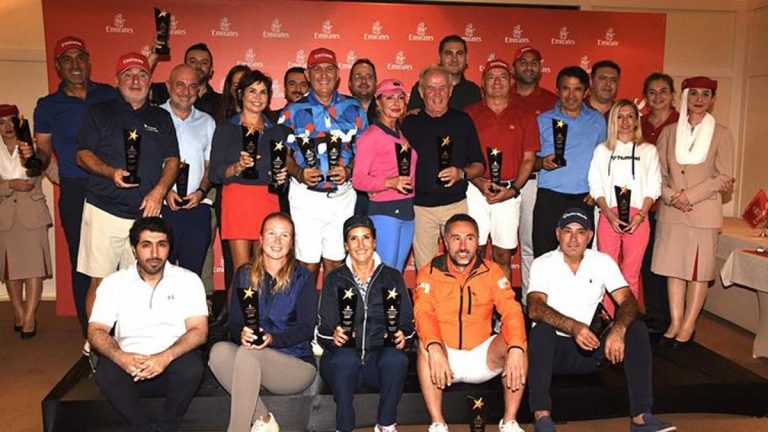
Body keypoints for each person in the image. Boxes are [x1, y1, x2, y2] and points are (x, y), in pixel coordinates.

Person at [526, 208, 676, 432]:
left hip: (595, 350)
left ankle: (641, 417)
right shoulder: (543, 263)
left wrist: (619, 329)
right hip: (555, 353)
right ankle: (542, 419)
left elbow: (628, 300)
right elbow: (535, 308)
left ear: (589, 236)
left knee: (636, 328)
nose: (573, 238)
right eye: (567, 231)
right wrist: (574, 327)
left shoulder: (602, 261)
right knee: (541, 331)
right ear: (558, 234)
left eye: (580, 232)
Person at [76, 52, 180, 319]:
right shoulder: (99, 112)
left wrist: (159, 192)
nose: (135, 80)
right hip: (104, 210)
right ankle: (96, 341)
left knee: (142, 284)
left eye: (142, 74)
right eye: (128, 75)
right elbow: (82, 155)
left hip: (146, 216)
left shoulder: (161, 117)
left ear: (150, 80)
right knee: (101, 284)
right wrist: (110, 172)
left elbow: (172, 161)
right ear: (117, 80)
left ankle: (132, 338)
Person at [88, 217, 208, 432]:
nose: (154, 253)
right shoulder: (114, 283)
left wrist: (164, 357)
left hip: (172, 362)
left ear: (169, 248)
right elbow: (96, 331)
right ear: (134, 250)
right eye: (146, 245)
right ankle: (142, 427)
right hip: (129, 364)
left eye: (161, 245)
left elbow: (199, 331)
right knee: (106, 370)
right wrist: (121, 357)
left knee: (191, 367)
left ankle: (167, 426)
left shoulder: (188, 280)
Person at [32, 35, 118, 336]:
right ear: (58, 66)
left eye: (80, 57)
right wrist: (34, 159)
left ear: (89, 62)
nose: (75, 64)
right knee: (82, 261)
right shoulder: (47, 105)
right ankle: (91, 334)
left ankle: (119, 326)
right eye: (67, 59)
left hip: (111, 186)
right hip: (75, 190)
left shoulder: (109, 95)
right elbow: (44, 151)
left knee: (116, 258)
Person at [413, 214, 527, 432]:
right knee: (425, 345)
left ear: (478, 241)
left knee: (518, 343)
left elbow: (511, 309)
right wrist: (435, 346)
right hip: (444, 360)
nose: (463, 246)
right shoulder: (429, 271)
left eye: (470, 238)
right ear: (445, 242)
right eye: (456, 239)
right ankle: (438, 423)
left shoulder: (492, 271)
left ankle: (509, 422)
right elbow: (423, 312)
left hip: (482, 356)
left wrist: (515, 347)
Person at [209, 212, 318, 432]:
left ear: (291, 242)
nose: (277, 241)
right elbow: (235, 322)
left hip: (295, 365)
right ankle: (264, 419)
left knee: (248, 353)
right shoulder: (244, 274)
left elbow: (306, 329)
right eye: (271, 233)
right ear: (260, 238)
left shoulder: (303, 278)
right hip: (253, 359)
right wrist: (241, 334)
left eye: (284, 235)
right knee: (218, 352)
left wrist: (272, 339)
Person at [652, 76, 734, 348]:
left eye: (706, 94)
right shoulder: (669, 132)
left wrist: (689, 196)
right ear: (685, 97)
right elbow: (657, 174)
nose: (699, 99)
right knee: (674, 269)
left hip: (703, 213)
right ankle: (675, 323)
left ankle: (688, 326)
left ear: (713, 99)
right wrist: (672, 197)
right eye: (694, 93)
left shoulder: (722, 133)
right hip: (672, 212)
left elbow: (724, 176)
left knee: (698, 272)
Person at [317, 215, 415, 432]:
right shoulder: (334, 278)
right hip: (341, 365)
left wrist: (403, 337)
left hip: (376, 365)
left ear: (375, 242)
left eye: (366, 238)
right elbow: (322, 332)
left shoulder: (392, 276)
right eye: (354, 239)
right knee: (345, 358)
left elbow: (408, 326)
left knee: (396, 358)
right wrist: (333, 337)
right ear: (346, 245)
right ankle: (344, 427)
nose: (360, 245)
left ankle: (386, 424)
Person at [280, 47, 368, 279]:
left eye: (329, 69)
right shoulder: (291, 111)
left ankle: (330, 305)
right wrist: (299, 173)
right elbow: (281, 155)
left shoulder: (354, 108)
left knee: (336, 262)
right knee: (307, 265)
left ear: (338, 74)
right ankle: (306, 305)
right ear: (308, 74)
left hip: (342, 196)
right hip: (305, 197)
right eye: (317, 69)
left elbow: (364, 152)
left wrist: (349, 169)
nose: (323, 75)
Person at [402, 66, 485, 270]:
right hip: (420, 208)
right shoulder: (409, 124)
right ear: (421, 92)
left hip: (456, 205)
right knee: (425, 270)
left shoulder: (463, 121)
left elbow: (480, 166)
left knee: (461, 266)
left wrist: (461, 173)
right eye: (431, 88)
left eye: (443, 88)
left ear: (451, 90)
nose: (437, 94)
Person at [465, 59, 538, 277]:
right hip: (475, 190)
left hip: (508, 191)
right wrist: (479, 183)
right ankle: (475, 298)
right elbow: (462, 158)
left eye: (503, 77)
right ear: (482, 83)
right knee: (474, 251)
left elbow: (529, 159)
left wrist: (513, 190)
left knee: (502, 254)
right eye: (491, 77)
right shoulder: (469, 114)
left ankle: (502, 299)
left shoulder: (525, 114)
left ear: (511, 82)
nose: (497, 82)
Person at [210, 69, 287, 275]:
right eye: (252, 91)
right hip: (237, 200)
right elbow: (214, 173)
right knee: (242, 271)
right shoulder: (226, 128)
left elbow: (280, 172)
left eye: (263, 92)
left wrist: (281, 178)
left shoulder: (276, 131)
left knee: (267, 269)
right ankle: (240, 299)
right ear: (240, 94)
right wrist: (237, 167)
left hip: (268, 200)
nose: (257, 97)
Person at [588, 100, 661, 316]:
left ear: (637, 120)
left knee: (631, 274)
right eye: (620, 116)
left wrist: (641, 215)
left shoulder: (648, 150)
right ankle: (608, 321)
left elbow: (654, 186)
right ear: (613, 121)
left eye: (630, 116)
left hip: (638, 217)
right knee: (607, 273)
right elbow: (596, 185)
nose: (625, 122)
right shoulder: (602, 150)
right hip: (609, 215)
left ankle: (627, 322)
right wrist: (608, 214)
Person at [533, 66, 606, 258]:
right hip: (550, 195)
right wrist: (542, 163)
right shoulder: (542, 120)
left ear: (586, 92)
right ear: (558, 90)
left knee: (580, 257)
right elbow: (529, 162)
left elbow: (605, 160)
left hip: (584, 197)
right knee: (545, 254)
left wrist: (597, 191)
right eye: (566, 88)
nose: (571, 95)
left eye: (577, 89)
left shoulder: (597, 120)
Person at [508, 45, 559, 301]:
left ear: (540, 67)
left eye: (533, 62)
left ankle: (532, 303)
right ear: (514, 67)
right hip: (504, 181)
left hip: (535, 182)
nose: (528, 66)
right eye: (523, 62)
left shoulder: (552, 101)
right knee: (502, 247)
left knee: (530, 244)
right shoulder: (503, 96)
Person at [352, 79, 417, 271]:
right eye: (389, 98)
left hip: (407, 210)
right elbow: (358, 180)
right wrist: (389, 182)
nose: (396, 102)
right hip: (385, 211)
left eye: (400, 97)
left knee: (396, 273)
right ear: (378, 103)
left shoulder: (400, 134)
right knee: (385, 272)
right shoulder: (370, 136)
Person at [0, 104, 52, 339]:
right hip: (5, 216)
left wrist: (34, 159)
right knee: (11, 271)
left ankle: (30, 317)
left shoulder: (33, 146)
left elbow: (45, 166)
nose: (7, 127)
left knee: (34, 270)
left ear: (19, 123)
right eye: (2, 122)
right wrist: (9, 185)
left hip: (32, 214)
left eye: (11, 121)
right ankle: (19, 312)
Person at [160, 64, 215, 277]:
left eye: (192, 86)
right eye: (180, 84)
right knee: (159, 273)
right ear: (168, 86)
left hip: (196, 208)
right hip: (161, 208)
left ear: (199, 90)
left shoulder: (207, 122)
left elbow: (210, 166)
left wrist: (201, 192)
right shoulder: (155, 117)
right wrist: (165, 191)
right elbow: (147, 163)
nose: (186, 91)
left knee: (192, 276)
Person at [638, 73, 679, 333]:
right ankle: (656, 316)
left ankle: (677, 319)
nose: (658, 97)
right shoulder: (637, 124)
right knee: (649, 261)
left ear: (672, 95)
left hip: (673, 203)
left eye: (663, 91)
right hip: (643, 205)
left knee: (672, 263)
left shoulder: (682, 123)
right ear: (645, 96)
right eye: (652, 92)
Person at [407, 35, 481, 112]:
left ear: (466, 58)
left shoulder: (473, 91)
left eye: (459, 54)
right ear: (439, 58)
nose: (454, 59)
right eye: (449, 54)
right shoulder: (423, 87)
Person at [149, 42, 222, 119]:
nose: (198, 66)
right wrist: (153, 56)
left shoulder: (221, 101)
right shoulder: (166, 90)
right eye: (193, 61)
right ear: (184, 66)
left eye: (204, 63)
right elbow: (142, 84)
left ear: (211, 70)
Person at [348, 58, 378, 124]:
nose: (364, 81)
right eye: (358, 76)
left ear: (375, 83)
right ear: (350, 83)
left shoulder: (386, 113)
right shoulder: (340, 112)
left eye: (369, 77)